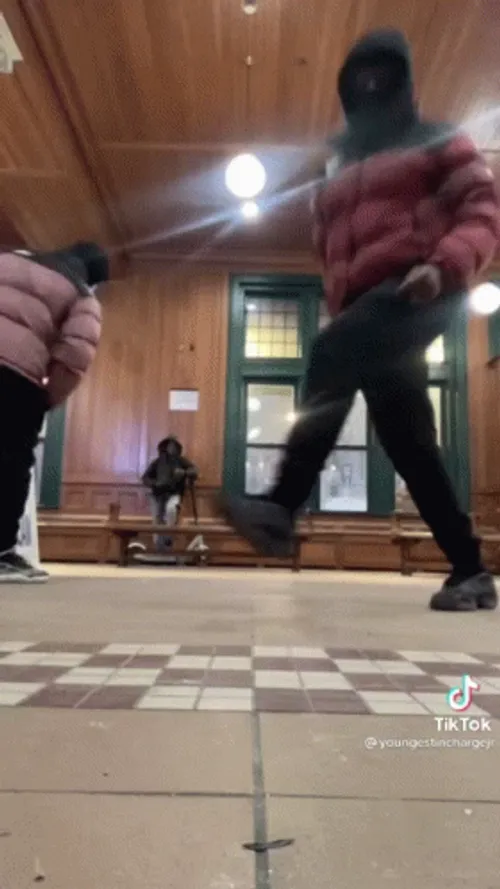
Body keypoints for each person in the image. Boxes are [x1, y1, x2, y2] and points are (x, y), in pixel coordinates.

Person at [222, 29, 500, 613]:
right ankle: (471, 570)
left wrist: (444, 266)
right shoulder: (340, 161)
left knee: (331, 352)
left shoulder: (436, 139)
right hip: (365, 305)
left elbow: (482, 209)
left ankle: (281, 505)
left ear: (403, 83)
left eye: (382, 76)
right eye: (360, 79)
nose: (371, 87)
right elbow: (331, 241)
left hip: (420, 284)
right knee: (409, 441)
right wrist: (341, 297)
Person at [0, 242, 108, 583]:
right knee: (10, 462)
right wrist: (45, 399)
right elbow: (74, 355)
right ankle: (1, 554)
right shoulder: (82, 296)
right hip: (13, 375)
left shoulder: (7, 260)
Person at [142, 437, 197, 551]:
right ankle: (158, 548)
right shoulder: (157, 462)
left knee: (171, 509)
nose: (171, 449)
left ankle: (168, 536)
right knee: (157, 519)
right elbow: (145, 478)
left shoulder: (181, 460)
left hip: (174, 494)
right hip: (158, 495)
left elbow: (194, 471)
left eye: (173, 446)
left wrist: (184, 472)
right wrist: (155, 483)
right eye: (169, 446)